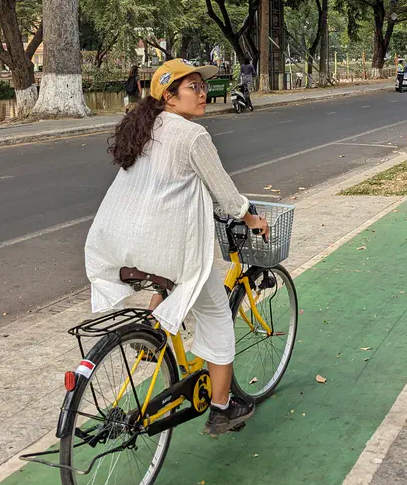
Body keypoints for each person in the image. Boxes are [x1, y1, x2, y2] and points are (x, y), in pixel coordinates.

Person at [85, 59, 269, 437]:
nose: (203, 94)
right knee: (216, 315)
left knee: (168, 280)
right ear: (168, 97)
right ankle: (222, 408)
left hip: (120, 244)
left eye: (203, 87)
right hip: (166, 248)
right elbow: (225, 193)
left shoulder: (143, 129)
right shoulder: (192, 135)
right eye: (193, 88)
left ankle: (152, 337)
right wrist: (251, 217)